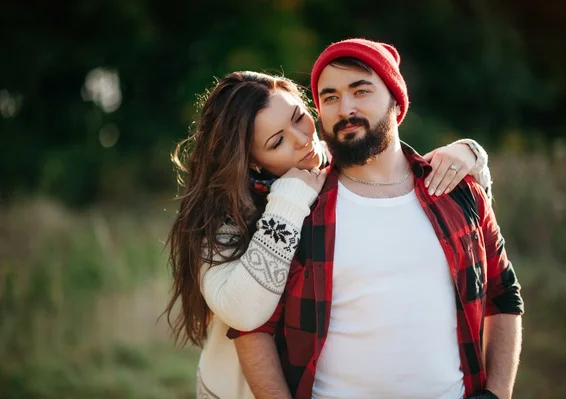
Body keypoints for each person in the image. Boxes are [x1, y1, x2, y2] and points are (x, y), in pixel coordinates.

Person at [164, 70, 493, 399]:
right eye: (277, 141)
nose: (301, 139)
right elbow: (245, 314)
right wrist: (289, 200)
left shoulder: (331, 160)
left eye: (298, 117)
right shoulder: (225, 218)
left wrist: (470, 152)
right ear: (251, 162)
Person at [232, 39, 524, 399]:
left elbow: (502, 296)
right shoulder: (296, 209)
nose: (345, 108)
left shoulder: (456, 190)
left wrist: (496, 394)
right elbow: (253, 330)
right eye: (330, 97)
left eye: (361, 90)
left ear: (395, 98)